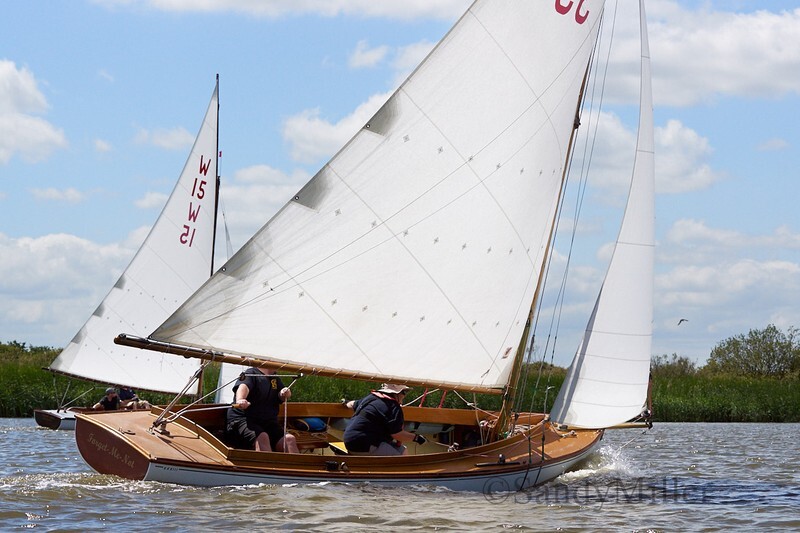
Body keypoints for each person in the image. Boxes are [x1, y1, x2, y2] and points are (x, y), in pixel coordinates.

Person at [225, 367, 298, 453]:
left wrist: (285, 394)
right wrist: (240, 399)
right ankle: (268, 466)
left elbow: (280, 395)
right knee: (262, 437)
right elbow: (244, 386)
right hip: (243, 420)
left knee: (289, 439)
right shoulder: (251, 373)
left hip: (266, 422)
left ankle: (298, 466)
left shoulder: (275, 378)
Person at [343, 383, 426, 455]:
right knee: (401, 461)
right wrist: (416, 438)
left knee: (402, 450)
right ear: (397, 393)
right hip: (364, 444)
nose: (404, 395)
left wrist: (345, 402)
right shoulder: (393, 406)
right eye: (404, 392)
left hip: (349, 440)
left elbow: (351, 404)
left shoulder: (370, 398)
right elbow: (397, 434)